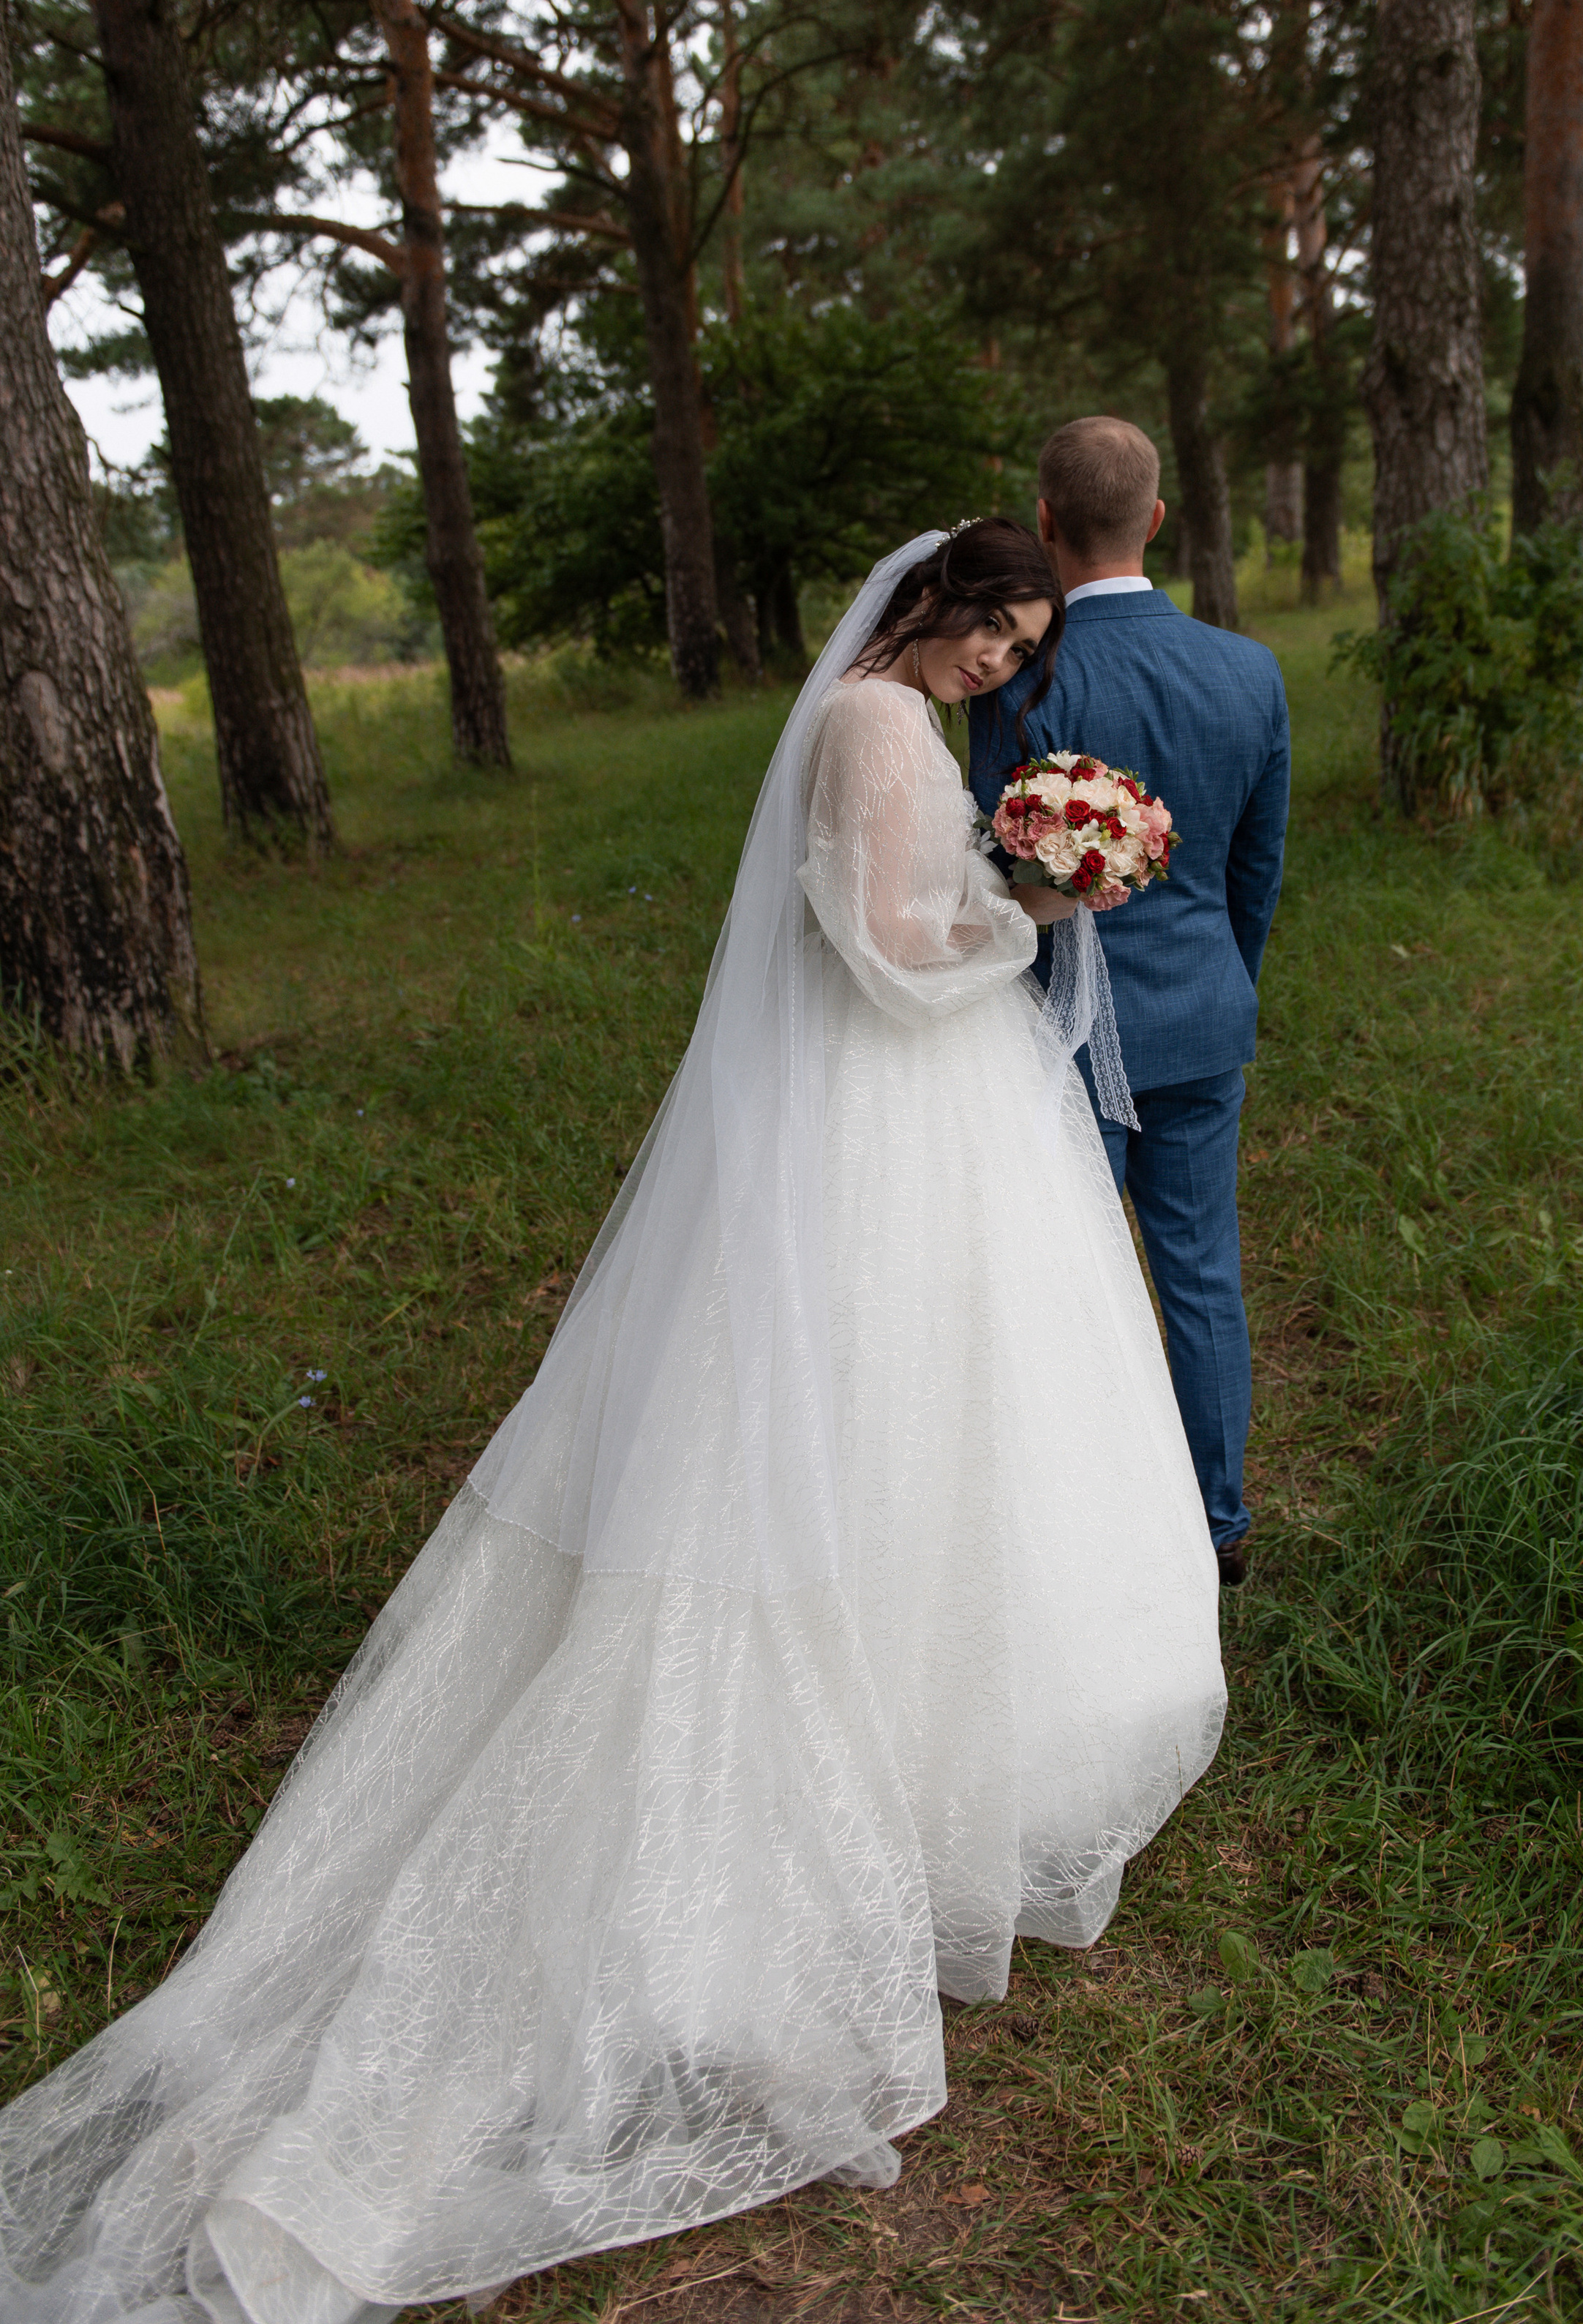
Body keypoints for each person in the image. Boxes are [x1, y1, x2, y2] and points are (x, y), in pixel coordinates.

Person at [0, 522, 1225, 2324]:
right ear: (930, 609)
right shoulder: (879, 730)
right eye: (991, 636)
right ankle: (863, 1758)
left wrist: (1019, 877)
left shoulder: (886, 723)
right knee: (884, 1405)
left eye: (1021, 647)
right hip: (895, 1097)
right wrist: (1030, 907)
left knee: (922, 1405)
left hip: (898, 1108)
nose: (1001, 669)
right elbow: (891, 955)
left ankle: (926, 1729)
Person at [969, 424, 1290, 1589]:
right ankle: (1217, 1524)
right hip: (1205, 1018)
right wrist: (1221, 981)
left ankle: (1084, 1531)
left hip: (1062, 1033)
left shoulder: (1027, 676)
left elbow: (998, 869)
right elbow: (1256, 871)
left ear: (1045, 521)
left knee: (1067, 1281)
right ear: (1158, 520)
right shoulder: (1249, 672)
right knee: (1202, 1271)